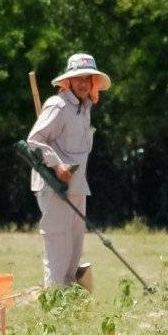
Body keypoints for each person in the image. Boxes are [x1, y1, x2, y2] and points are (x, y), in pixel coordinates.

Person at [27, 53, 109, 292]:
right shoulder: (58, 105)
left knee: (74, 249)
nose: (83, 83)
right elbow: (34, 141)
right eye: (78, 78)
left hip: (77, 186)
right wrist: (57, 165)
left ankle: (69, 303)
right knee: (58, 248)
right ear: (69, 81)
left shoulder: (85, 109)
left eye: (88, 78)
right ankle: (54, 304)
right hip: (55, 186)